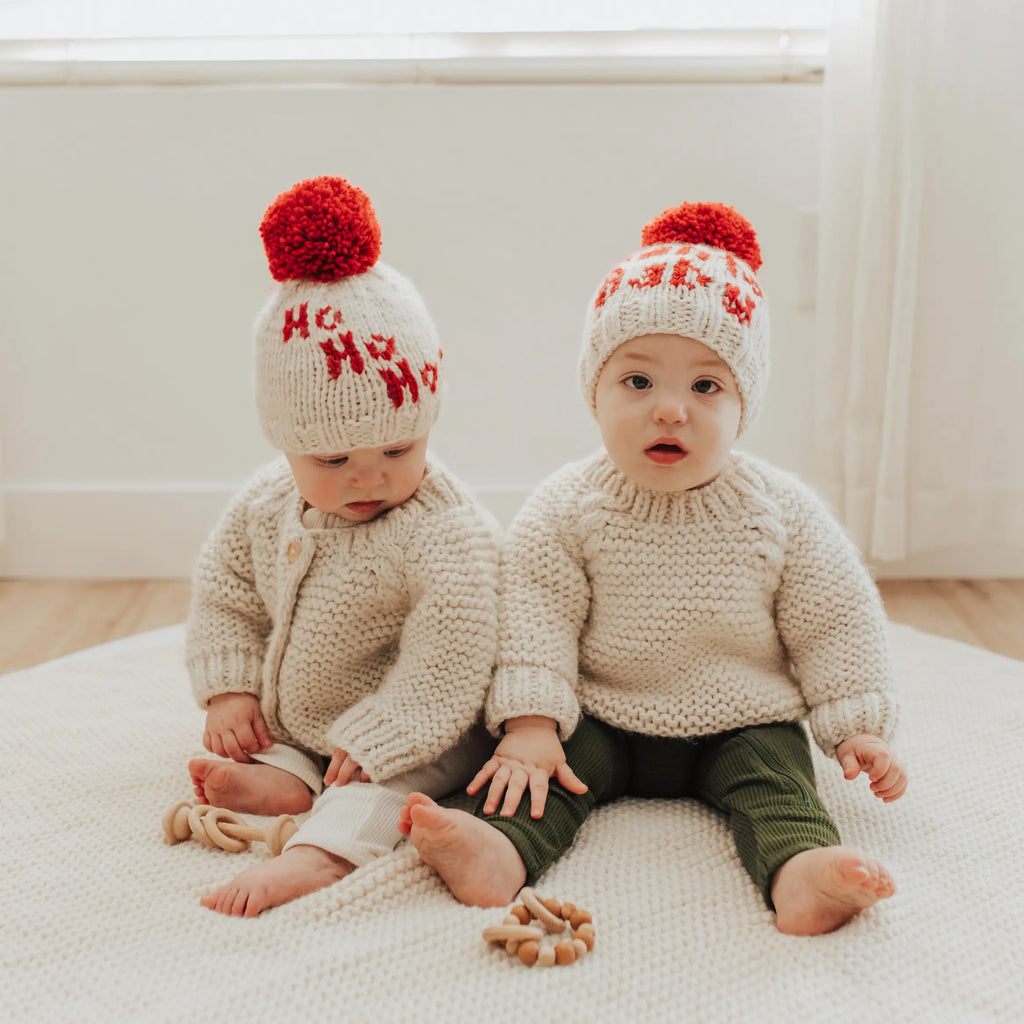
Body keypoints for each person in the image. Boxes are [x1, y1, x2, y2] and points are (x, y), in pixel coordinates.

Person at [401, 201, 908, 936]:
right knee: (543, 779)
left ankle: (803, 873)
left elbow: (835, 618)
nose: (670, 410)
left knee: (779, 785)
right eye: (638, 382)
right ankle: (499, 852)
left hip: (744, 719)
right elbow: (532, 611)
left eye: (706, 387)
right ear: (595, 389)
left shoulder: (782, 510)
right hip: (604, 713)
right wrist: (533, 721)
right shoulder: (569, 505)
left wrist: (858, 726)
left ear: (744, 405)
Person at [185, 175, 499, 917]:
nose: (370, 477)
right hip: (314, 717)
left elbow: (455, 644)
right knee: (275, 741)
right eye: (331, 461)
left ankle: (320, 855)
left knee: (375, 787)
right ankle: (289, 774)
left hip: (432, 724)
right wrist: (231, 686)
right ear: (286, 443)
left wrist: (391, 729)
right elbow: (225, 589)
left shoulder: (442, 529)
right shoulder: (265, 504)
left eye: (398, 448)